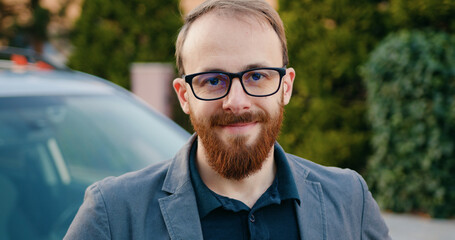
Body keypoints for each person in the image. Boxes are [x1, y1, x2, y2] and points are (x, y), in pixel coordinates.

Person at [65, 0, 391, 239]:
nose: (236, 102)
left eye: (257, 76)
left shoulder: (349, 199)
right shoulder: (114, 215)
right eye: (212, 80)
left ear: (286, 87)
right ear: (184, 96)